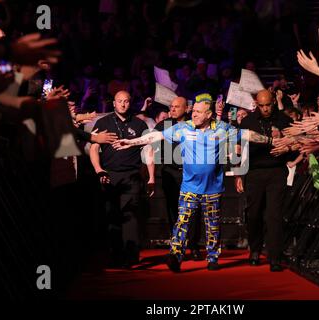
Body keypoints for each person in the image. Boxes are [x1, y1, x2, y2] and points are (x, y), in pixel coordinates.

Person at [113, 93, 281, 272]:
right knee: (181, 223)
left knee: (212, 224)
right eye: (194, 111)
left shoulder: (222, 128)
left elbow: (247, 134)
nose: (194, 115)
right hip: (189, 187)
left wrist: (271, 140)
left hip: (212, 188)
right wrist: (131, 143)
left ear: (209, 115)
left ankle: (212, 257)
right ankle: (176, 256)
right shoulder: (184, 128)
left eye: (199, 112)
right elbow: (155, 137)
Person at [89, 90, 155, 268]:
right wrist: (99, 170)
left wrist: (151, 177)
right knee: (111, 216)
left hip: (132, 175)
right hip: (108, 174)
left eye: (126, 101)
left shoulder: (139, 124)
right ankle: (114, 255)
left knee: (131, 216)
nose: (123, 104)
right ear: (114, 103)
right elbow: (94, 148)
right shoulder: (103, 122)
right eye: (120, 101)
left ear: (130, 102)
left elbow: (148, 150)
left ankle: (131, 257)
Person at [236, 89, 293, 272]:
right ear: (256, 104)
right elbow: (240, 149)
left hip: (277, 171)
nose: (266, 108)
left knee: (274, 216)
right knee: (253, 214)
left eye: (268, 105)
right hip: (254, 173)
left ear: (273, 103)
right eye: (262, 105)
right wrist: (238, 174)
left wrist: (286, 148)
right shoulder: (248, 121)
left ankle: (274, 256)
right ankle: (254, 250)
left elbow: (297, 142)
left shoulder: (284, 119)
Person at [153, 96, 203, 260]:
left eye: (176, 107)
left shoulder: (195, 125)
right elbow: (152, 147)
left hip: (191, 173)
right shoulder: (162, 126)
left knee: (193, 211)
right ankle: (177, 246)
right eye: (171, 106)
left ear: (186, 109)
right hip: (170, 173)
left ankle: (194, 245)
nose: (172, 109)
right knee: (173, 210)